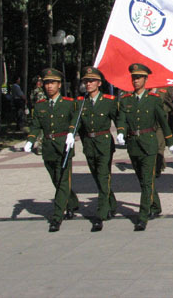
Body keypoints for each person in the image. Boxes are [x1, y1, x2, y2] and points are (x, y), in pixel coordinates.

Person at [116, 64, 173, 232]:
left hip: (149, 143)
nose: (136, 80)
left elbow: (163, 121)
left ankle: (143, 216)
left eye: (139, 78)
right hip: (133, 144)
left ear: (145, 79)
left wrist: (170, 141)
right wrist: (120, 132)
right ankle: (156, 206)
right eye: (134, 78)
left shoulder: (153, 99)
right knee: (144, 180)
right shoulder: (126, 100)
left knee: (147, 181)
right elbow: (121, 119)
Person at [23, 68, 79, 232]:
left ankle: (57, 216)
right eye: (47, 83)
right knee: (56, 180)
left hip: (63, 147)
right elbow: (36, 126)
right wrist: (30, 140)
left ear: (59, 85)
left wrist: (71, 134)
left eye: (52, 83)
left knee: (62, 181)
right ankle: (72, 203)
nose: (49, 86)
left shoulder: (69, 103)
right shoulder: (40, 106)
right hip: (48, 147)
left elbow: (75, 121)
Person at [75, 67, 118, 232]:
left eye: (91, 81)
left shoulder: (108, 100)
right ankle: (111, 203)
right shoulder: (80, 102)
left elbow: (118, 118)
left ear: (99, 83)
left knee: (103, 175)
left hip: (104, 143)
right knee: (99, 178)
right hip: (89, 144)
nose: (88, 84)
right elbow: (77, 122)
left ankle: (101, 214)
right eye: (86, 81)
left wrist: (122, 132)